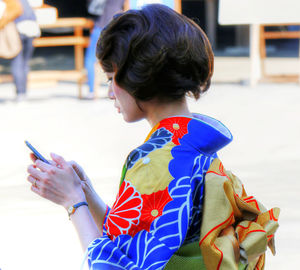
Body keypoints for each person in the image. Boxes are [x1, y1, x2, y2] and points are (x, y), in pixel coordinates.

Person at [27, 4, 279, 269]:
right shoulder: (192, 144)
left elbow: (115, 264)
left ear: (140, 77)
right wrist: (85, 192)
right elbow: (131, 239)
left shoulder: (156, 161)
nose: (110, 92)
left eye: (112, 77)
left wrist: (72, 202)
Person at [85, 0, 124, 99]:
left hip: (102, 23)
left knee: (91, 59)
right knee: (119, 59)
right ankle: (120, 90)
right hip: (118, 23)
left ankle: (92, 90)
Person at [0, 0, 38, 101]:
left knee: (18, 62)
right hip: (30, 28)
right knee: (24, 63)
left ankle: (21, 93)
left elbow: (13, 12)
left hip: (17, 30)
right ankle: (23, 92)